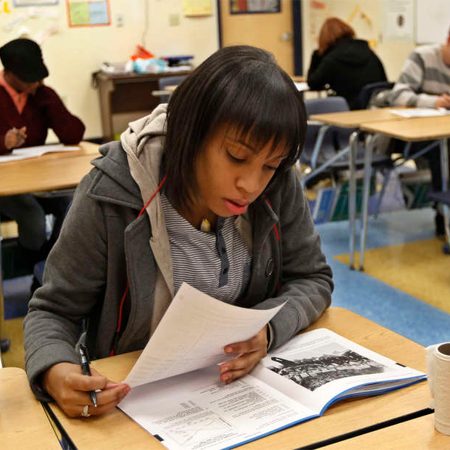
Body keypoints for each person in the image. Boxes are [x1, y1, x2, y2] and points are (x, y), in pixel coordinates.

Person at [24, 45, 333, 419]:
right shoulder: (112, 192)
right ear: (191, 132)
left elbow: (312, 277)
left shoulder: (277, 184)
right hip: (131, 402)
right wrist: (55, 369)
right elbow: (52, 311)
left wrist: (269, 329)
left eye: (269, 165)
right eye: (236, 157)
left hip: (238, 396)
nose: (251, 185)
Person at [0, 38, 85, 266]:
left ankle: (50, 266)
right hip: (5, 185)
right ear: (9, 74)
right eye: (29, 79)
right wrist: (4, 142)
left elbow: (74, 135)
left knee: (74, 203)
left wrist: (50, 103)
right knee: (32, 214)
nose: (36, 83)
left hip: (37, 177)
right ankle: (34, 266)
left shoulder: (41, 95)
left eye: (38, 78)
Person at [389, 28, 450, 236]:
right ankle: (443, 216)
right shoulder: (422, 57)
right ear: (447, 41)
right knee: (442, 151)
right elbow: (398, 95)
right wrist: (434, 101)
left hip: (443, 131)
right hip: (411, 135)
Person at [307, 17, 387, 110]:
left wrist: (316, 56)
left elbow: (313, 83)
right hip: (374, 108)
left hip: (345, 110)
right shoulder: (369, 53)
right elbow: (384, 82)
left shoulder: (332, 59)